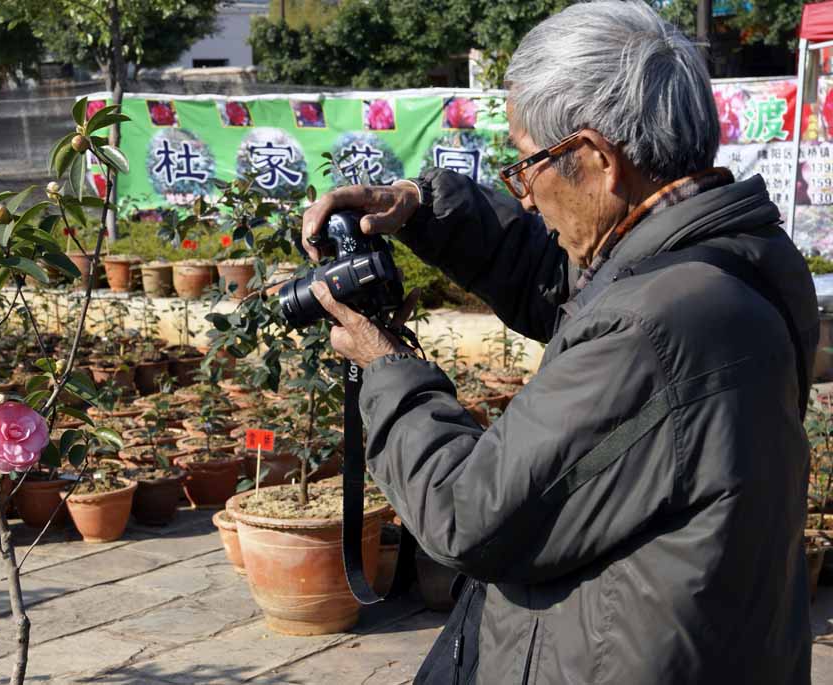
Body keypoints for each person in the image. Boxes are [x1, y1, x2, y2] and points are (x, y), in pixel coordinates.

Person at [301, 1, 817, 683]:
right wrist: (423, 211)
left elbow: (468, 511)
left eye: (525, 166)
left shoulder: (653, 327)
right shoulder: (740, 254)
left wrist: (385, 365)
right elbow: (571, 282)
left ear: (598, 157)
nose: (529, 198)